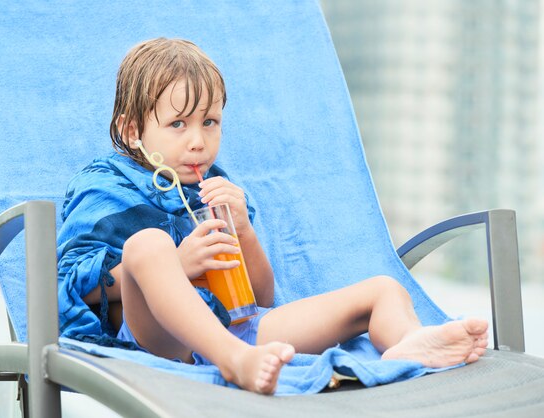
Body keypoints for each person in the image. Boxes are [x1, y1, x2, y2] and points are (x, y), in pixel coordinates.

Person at [57, 37, 488, 395]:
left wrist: (243, 230)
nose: (198, 141)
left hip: (240, 328)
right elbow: (71, 282)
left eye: (210, 122)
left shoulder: (214, 188)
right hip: (163, 341)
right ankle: (233, 362)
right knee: (147, 245)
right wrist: (180, 263)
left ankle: (408, 345)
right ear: (134, 131)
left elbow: (260, 299)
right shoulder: (104, 184)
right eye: (178, 125)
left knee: (383, 289)